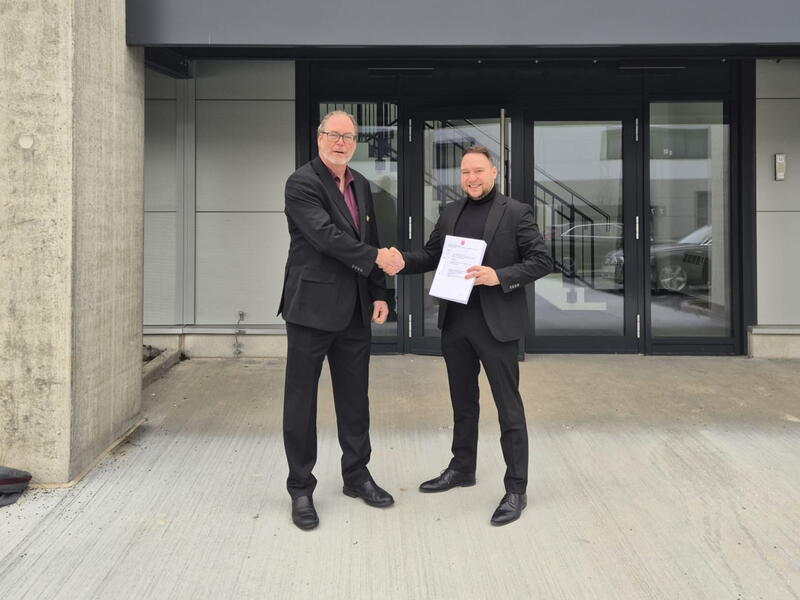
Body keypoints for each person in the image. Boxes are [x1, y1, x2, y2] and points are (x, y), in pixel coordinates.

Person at [386, 145, 553, 525]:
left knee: (509, 408)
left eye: (478, 171)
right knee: (463, 403)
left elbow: (541, 260)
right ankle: (462, 468)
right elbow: (431, 255)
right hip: (456, 323)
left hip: (497, 326)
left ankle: (516, 488)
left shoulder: (516, 212)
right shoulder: (450, 212)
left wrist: (500, 276)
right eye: (465, 173)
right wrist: (401, 261)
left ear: (494, 172)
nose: (471, 178)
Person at [278, 110, 402, 530]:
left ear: (355, 142)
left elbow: (370, 239)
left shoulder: (361, 184)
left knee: (354, 398)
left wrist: (380, 292)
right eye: (333, 135)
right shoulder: (301, 183)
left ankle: (357, 475)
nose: (341, 142)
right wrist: (377, 258)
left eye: (348, 136)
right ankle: (300, 487)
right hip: (310, 310)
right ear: (319, 139)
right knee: (301, 401)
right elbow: (325, 237)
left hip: (354, 310)